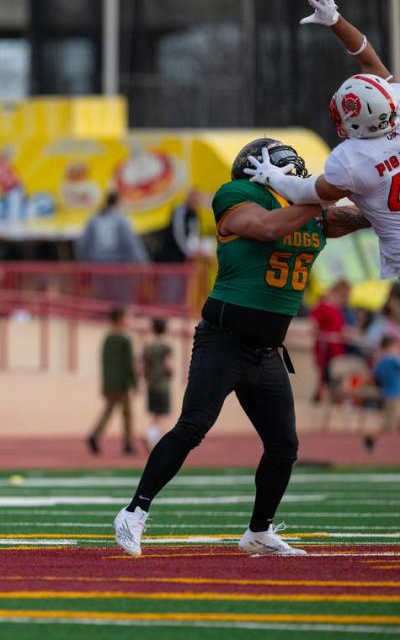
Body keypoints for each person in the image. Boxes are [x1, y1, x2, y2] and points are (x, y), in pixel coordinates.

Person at [113, 137, 373, 559]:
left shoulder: (308, 211)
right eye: (290, 166)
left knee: (284, 446)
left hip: (267, 350)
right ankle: (133, 512)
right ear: (262, 168)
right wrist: (322, 194)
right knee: (193, 426)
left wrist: (379, 202)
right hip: (224, 339)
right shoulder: (240, 195)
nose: (299, 171)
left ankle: (258, 531)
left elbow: (351, 217)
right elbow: (267, 228)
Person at [245, 0, 400, 280]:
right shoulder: (394, 105)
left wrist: (273, 175)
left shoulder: (355, 159)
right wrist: (335, 21)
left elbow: (308, 193)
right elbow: (370, 62)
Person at [87, 306, 137, 456]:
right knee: (127, 413)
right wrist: (134, 383)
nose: (130, 320)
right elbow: (130, 364)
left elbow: (105, 362)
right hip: (122, 382)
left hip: (110, 381)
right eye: (128, 317)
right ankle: (128, 444)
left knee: (109, 409)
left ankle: (95, 434)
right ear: (120, 319)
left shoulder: (107, 338)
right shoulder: (125, 340)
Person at [310, 280, 351, 402]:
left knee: (334, 379)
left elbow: (340, 328)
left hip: (336, 350)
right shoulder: (323, 307)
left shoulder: (338, 310)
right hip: (325, 350)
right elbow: (313, 324)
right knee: (324, 379)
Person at [141, 317, 173, 450]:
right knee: (162, 414)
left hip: (151, 383)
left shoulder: (148, 346)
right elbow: (168, 365)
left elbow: (142, 367)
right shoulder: (166, 346)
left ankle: (152, 438)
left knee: (155, 413)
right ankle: (152, 437)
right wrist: (171, 373)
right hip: (162, 384)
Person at [366, 336, 400, 452]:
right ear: (390, 345)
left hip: (389, 394)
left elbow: (374, 378)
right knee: (388, 426)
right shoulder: (392, 359)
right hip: (395, 395)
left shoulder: (380, 361)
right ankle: (370, 438)